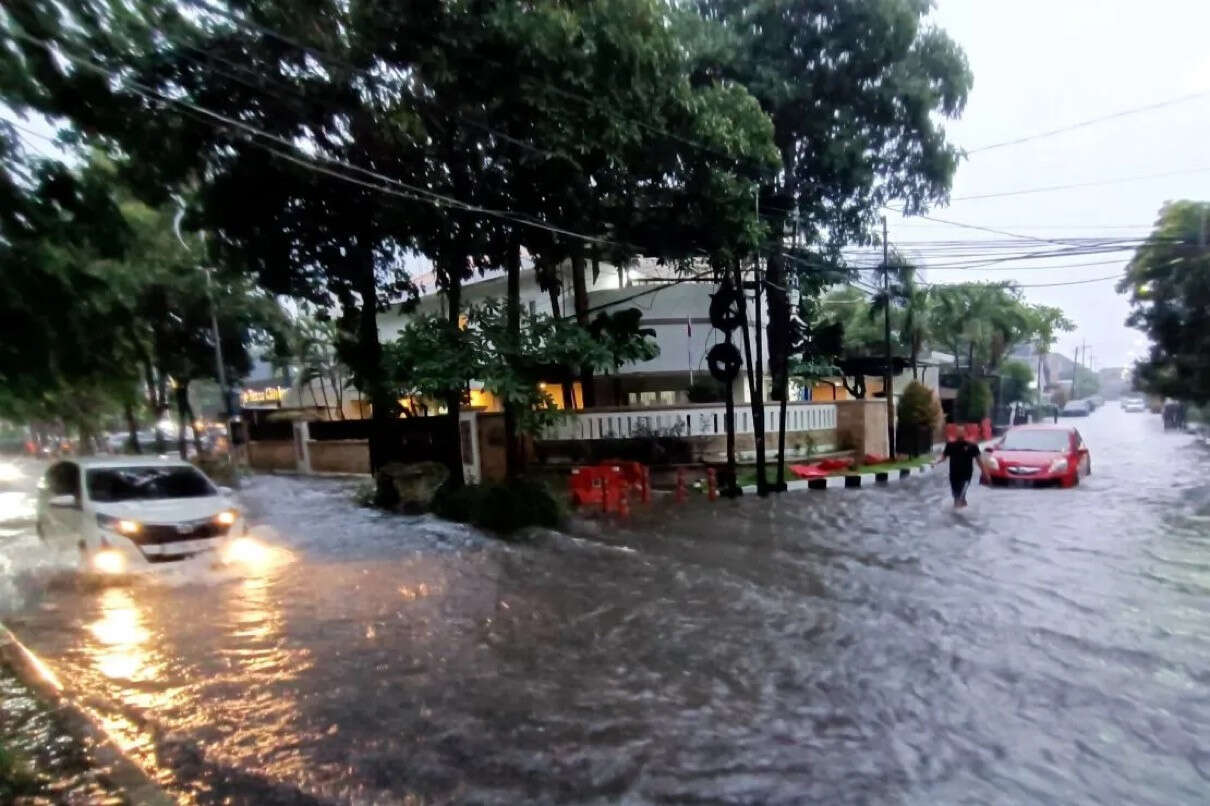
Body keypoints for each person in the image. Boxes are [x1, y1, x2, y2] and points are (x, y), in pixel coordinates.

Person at [934, 433, 987, 508]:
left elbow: (979, 461)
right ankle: (958, 511)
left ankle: (961, 512)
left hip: (966, 476)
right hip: (954, 475)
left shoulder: (972, 446)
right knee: (956, 497)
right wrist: (936, 462)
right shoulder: (950, 445)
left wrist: (985, 473)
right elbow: (943, 457)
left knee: (961, 496)